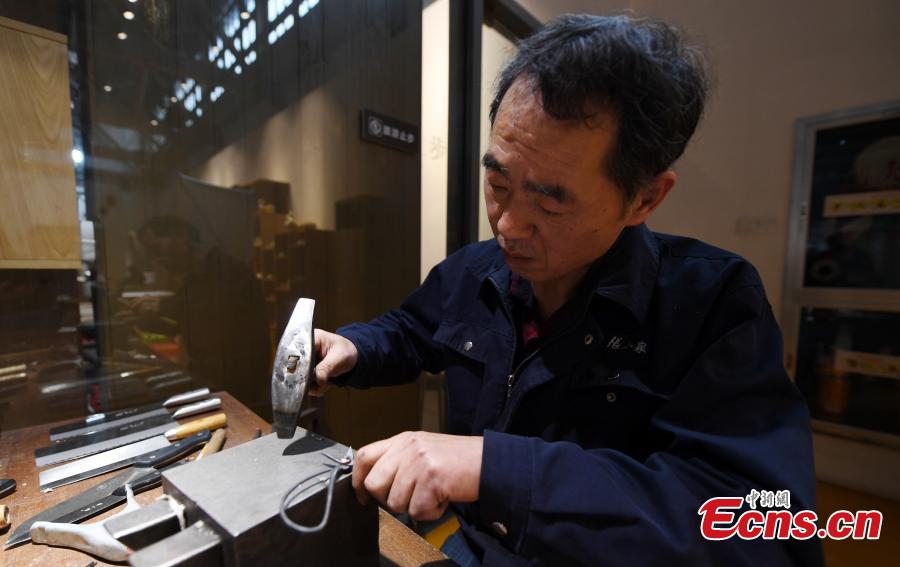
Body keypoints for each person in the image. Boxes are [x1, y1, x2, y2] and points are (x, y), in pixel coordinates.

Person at [311, 14, 823, 566]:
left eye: (551, 204)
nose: (506, 225)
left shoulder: (712, 302)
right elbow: (414, 329)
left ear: (645, 199)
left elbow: (772, 531)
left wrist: (495, 469)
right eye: (498, 183)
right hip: (464, 545)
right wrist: (355, 347)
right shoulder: (478, 267)